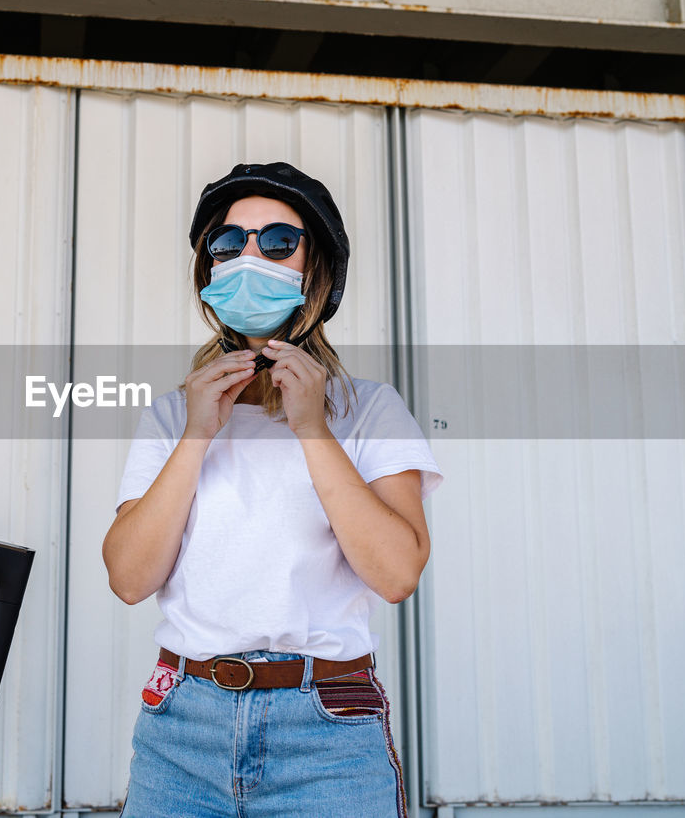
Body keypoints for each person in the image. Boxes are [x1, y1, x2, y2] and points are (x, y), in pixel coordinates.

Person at [103, 162, 443, 817]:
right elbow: (127, 576)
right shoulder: (173, 415)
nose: (249, 255)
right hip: (183, 727)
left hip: (328, 731)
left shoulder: (370, 410)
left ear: (316, 270)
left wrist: (314, 427)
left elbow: (398, 572)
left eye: (278, 240)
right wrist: (199, 432)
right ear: (209, 270)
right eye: (230, 243)